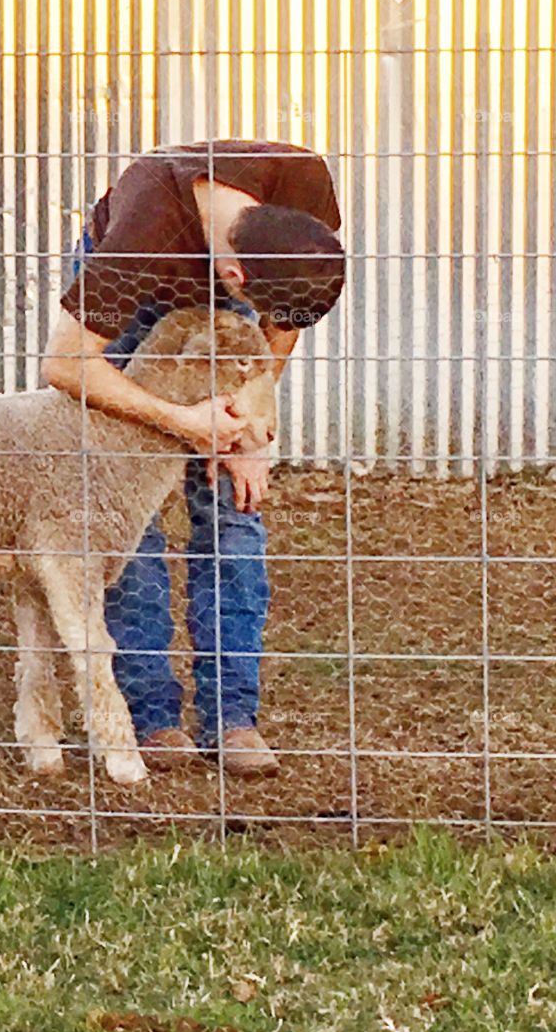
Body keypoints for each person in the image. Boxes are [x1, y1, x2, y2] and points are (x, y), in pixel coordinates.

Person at [42, 140, 344, 776]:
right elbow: (65, 364)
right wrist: (184, 423)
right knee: (127, 511)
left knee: (234, 511)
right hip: (127, 307)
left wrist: (251, 422)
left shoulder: (301, 191)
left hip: (223, 277)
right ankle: (153, 716)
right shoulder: (140, 236)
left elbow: (281, 320)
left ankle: (232, 718)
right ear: (238, 280)